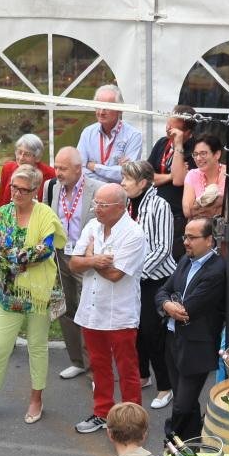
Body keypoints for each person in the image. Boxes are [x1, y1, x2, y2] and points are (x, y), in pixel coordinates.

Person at [0, 163, 65, 425]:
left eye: (23, 189)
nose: (17, 193)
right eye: (14, 187)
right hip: (10, 291)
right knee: (0, 347)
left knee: (37, 346)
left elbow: (46, 249)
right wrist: (22, 258)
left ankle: (36, 399)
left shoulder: (45, 214)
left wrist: (11, 257)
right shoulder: (0, 215)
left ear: (35, 191)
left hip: (39, 292)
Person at [69, 185, 148, 434]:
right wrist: (95, 259)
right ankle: (102, 413)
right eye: (96, 203)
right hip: (91, 312)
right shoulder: (92, 226)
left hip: (120, 314)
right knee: (99, 365)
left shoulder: (134, 234)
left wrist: (89, 258)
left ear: (121, 207)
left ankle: (132, 421)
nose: (96, 209)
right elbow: (74, 264)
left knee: (127, 369)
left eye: (103, 205)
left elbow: (115, 275)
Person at [156, 218, 227, 441]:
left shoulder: (217, 270)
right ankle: (192, 443)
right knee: (184, 400)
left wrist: (168, 304)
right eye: (185, 236)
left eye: (192, 237)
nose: (186, 242)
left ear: (209, 240)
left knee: (182, 404)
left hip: (196, 347)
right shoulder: (185, 260)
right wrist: (167, 305)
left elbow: (190, 309)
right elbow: (162, 291)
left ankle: (171, 442)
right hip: (173, 340)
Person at [122, 160, 177, 410]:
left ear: (143, 182)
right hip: (132, 278)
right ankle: (143, 375)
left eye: (127, 179)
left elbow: (163, 249)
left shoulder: (159, 205)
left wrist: (135, 272)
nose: (123, 183)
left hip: (156, 279)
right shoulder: (127, 203)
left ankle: (166, 386)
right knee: (135, 330)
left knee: (153, 333)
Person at [47, 147, 104, 380]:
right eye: (56, 167)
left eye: (63, 168)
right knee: (65, 306)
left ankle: (95, 369)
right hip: (60, 255)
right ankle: (77, 361)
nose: (58, 172)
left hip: (85, 257)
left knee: (89, 309)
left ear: (78, 169)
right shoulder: (52, 186)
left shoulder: (97, 189)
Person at [79, 84, 144, 184]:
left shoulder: (133, 135)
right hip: (91, 190)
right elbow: (79, 168)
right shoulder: (87, 133)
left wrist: (95, 167)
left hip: (120, 192)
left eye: (107, 107)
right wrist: (111, 175)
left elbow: (128, 174)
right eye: (98, 106)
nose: (101, 112)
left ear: (120, 110)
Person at [149, 108, 197, 220]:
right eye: (167, 124)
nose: (167, 129)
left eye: (172, 127)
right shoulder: (162, 142)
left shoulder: (195, 150)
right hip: (153, 207)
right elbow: (146, 178)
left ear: (187, 132)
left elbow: (178, 180)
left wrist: (178, 144)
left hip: (175, 213)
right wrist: (170, 176)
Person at [181, 132, 228, 224]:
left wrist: (198, 206)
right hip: (199, 227)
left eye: (203, 153)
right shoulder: (192, 174)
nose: (198, 158)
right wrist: (216, 205)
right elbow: (187, 211)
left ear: (217, 154)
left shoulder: (228, 174)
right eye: (195, 154)